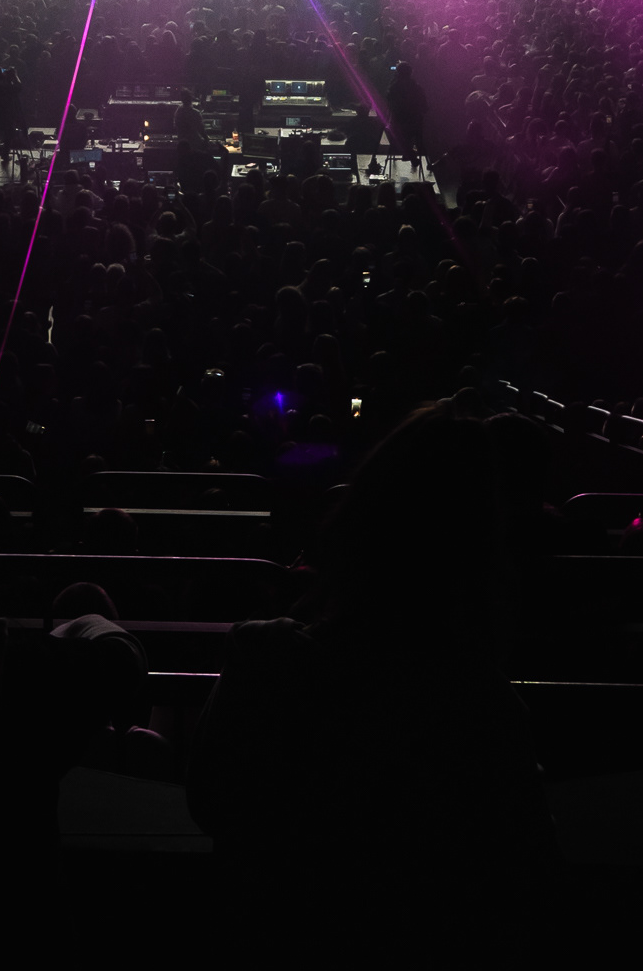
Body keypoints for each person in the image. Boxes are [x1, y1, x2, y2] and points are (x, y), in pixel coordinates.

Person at [188, 403, 555, 949]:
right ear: (480, 557)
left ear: (357, 521)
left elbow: (213, 805)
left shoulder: (265, 660)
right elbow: (523, 868)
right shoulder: (482, 707)